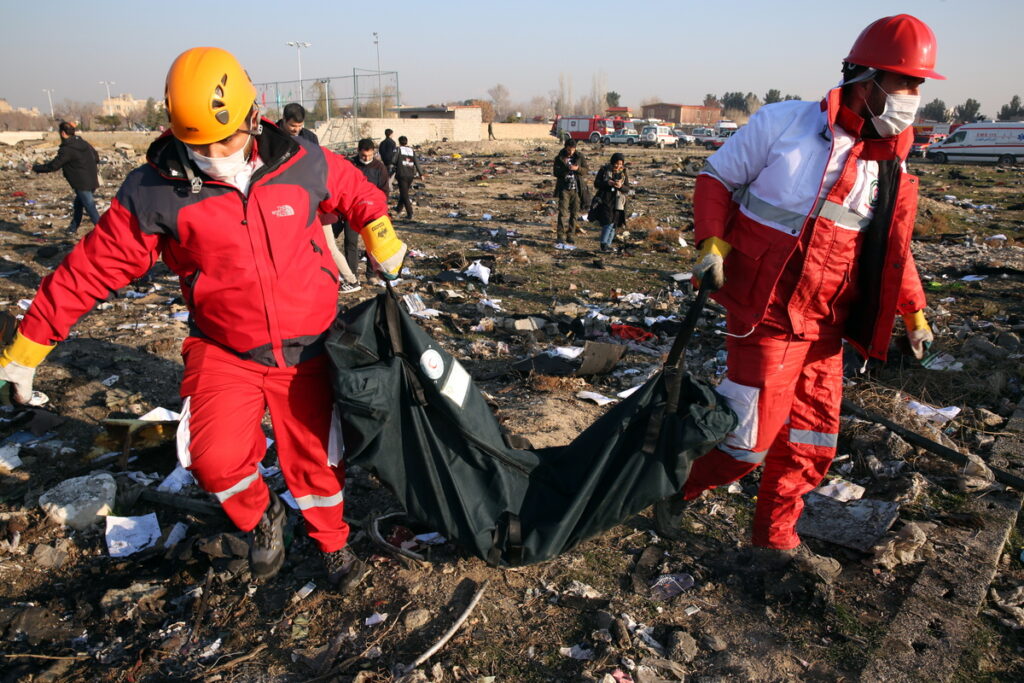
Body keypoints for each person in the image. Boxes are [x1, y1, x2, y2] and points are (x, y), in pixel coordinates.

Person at [0, 47, 407, 588]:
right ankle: (263, 518)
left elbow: (358, 192)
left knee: (316, 462)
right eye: (199, 143)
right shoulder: (153, 192)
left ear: (252, 113)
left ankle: (332, 544)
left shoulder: (303, 161)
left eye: (225, 138)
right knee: (212, 460)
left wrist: (380, 231)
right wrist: (27, 348)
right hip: (225, 351)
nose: (214, 152)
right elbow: (88, 271)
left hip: (308, 349)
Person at [653, 14, 942, 580]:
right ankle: (674, 486)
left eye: (918, 86)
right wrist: (712, 243)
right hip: (764, 313)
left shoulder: (891, 163)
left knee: (811, 443)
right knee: (746, 442)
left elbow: (891, 247)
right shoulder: (783, 125)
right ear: (866, 77)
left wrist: (914, 308)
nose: (912, 98)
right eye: (906, 83)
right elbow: (715, 178)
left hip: (827, 325)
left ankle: (774, 541)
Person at [276, 103, 361, 292]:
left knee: (328, 244)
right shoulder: (271, 136)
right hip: (283, 200)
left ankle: (350, 279)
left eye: (299, 126)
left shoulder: (309, 138)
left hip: (312, 201)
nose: (296, 130)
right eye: (292, 126)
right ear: (283, 120)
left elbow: (319, 167)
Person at [32, 121, 101, 235]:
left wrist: (36, 168)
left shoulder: (67, 149)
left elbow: (53, 166)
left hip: (81, 183)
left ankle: (103, 232)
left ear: (63, 133)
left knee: (90, 207)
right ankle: (72, 228)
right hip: (92, 179)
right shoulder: (82, 142)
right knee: (78, 204)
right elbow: (96, 157)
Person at [340, 138, 390, 286]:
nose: (366, 158)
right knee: (350, 242)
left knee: (372, 243)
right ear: (358, 152)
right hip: (352, 210)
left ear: (374, 152)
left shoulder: (379, 167)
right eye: (363, 156)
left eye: (369, 155)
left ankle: (371, 274)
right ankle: (352, 276)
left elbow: (384, 190)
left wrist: (380, 209)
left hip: (371, 212)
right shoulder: (350, 164)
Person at [552, 138, 588, 244]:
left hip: (576, 189)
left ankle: (570, 235)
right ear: (565, 147)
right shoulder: (559, 158)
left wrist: (577, 169)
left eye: (573, 149)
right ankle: (560, 236)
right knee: (562, 213)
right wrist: (566, 170)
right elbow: (556, 172)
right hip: (564, 189)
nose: (571, 152)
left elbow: (585, 170)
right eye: (569, 150)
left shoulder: (579, 156)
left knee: (574, 213)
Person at [593, 152, 629, 252]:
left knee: (614, 223)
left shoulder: (623, 173)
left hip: (618, 201)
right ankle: (603, 244)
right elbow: (597, 184)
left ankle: (608, 244)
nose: (618, 166)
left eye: (620, 164)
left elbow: (627, 188)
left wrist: (621, 186)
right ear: (613, 162)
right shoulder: (604, 170)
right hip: (605, 199)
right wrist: (607, 183)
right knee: (608, 222)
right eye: (617, 163)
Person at [390, 135, 422, 221]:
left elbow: (393, 160)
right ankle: (399, 208)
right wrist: (421, 174)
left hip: (402, 174)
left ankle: (410, 213)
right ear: (406, 142)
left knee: (404, 194)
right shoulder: (411, 150)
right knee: (404, 192)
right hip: (410, 175)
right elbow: (417, 163)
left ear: (399, 142)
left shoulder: (398, 149)